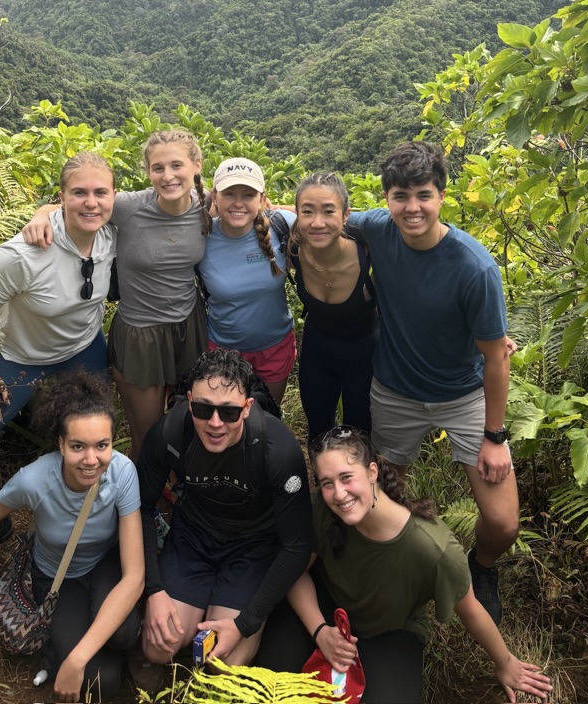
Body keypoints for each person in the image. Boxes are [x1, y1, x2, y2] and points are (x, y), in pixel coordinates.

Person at [346, 141, 518, 625]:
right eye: (400, 196)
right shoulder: (378, 228)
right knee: (384, 493)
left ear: (442, 196)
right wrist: (258, 208)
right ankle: (397, 565)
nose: (412, 207)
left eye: (423, 195)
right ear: (386, 199)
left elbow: (496, 360)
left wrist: (494, 436)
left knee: (503, 522)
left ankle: (480, 567)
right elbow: (322, 214)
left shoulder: (473, 267)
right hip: (395, 391)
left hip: (463, 397)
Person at [259, 427, 553, 704]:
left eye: (347, 477)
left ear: (372, 471)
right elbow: (293, 573)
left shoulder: (431, 546)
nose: (338, 493)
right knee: (267, 682)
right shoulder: (322, 509)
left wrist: (505, 662)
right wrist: (320, 631)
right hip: (325, 605)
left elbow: (470, 608)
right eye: (327, 483)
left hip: (389, 630)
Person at [0, 370, 144, 704]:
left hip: (105, 563)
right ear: (60, 444)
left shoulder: (122, 472)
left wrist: (76, 658)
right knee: (101, 682)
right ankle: (81, 650)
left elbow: (134, 577)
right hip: (59, 577)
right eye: (78, 446)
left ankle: (93, 647)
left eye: (101, 445)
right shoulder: (33, 481)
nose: (92, 460)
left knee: (123, 633)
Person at [0, 152, 117, 543]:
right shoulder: (21, 255)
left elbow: (174, 198)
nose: (91, 201)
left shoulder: (111, 230)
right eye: (79, 193)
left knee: (97, 435)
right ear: (63, 196)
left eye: (100, 192)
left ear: (114, 196)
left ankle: (93, 502)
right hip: (23, 360)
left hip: (86, 349)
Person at [22, 129, 211, 462]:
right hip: (141, 333)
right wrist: (40, 216)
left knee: (185, 421)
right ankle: (141, 505)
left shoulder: (207, 204)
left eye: (176, 165)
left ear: (196, 165)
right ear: (148, 171)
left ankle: (177, 486)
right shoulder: (129, 207)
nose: (167, 176)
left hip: (188, 325)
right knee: (148, 435)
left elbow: (253, 207)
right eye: (157, 168)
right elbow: (76, 203)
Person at [136, 349, 312, 670]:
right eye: (203, 409)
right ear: (189, 401)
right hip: (193, 539)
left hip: (253, 548)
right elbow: (142, 507)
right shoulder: (170, 432)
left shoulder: (277, 450)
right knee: (158, 647)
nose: (215, 423)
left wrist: (246, 622)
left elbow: (297, 544)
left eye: (228, 412)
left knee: (222, 663)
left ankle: (254, 618)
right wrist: (154, 590)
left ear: (247, 408)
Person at [198, 157, 296, 403]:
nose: (238, 203)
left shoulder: (283, 225)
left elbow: (324, 216)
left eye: (248, 195)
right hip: (221, 351)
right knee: (224, 422)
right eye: (229, 194)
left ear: (262, 199)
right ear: (215, 197)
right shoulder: (199, 238)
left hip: (275, 347)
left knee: (267, 417)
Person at [289, 173, 378, 440]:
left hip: (366, 356)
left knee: (360, 435)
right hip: (318, 352)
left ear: (346, 215)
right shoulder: (292, 249)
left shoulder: (369, 255)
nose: (317, 223)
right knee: (317, 433)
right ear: (297, 215)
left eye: (328, 211)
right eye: (307, 212)